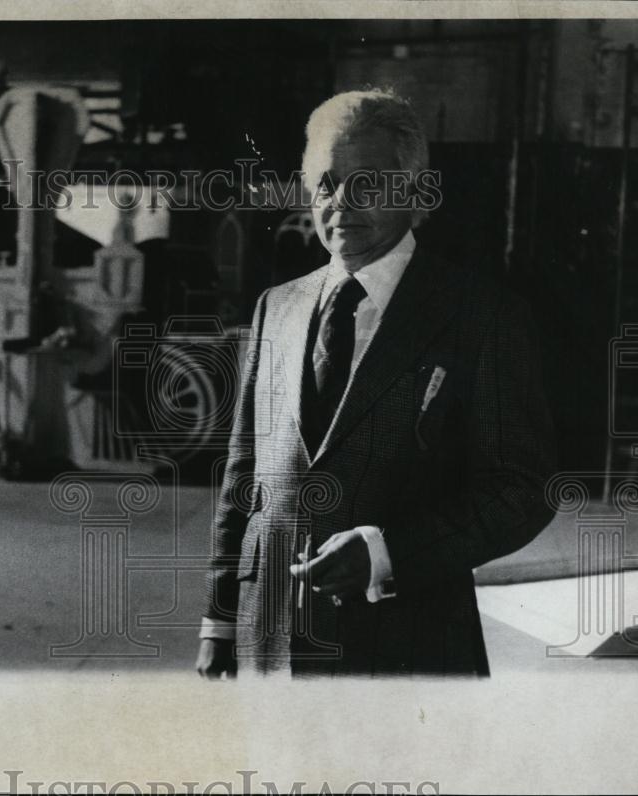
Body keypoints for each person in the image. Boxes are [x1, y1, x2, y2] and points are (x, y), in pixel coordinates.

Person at [195, 89, 557, 677]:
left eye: (367, 184)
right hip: (272, 647)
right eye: (325, 183)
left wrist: (388, 552)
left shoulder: (480, 315)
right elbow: (244, 480)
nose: (339, 204)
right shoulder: (276, 308)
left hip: (407, 648)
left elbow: (523, 489)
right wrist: (221, 618)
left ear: (415, 194)